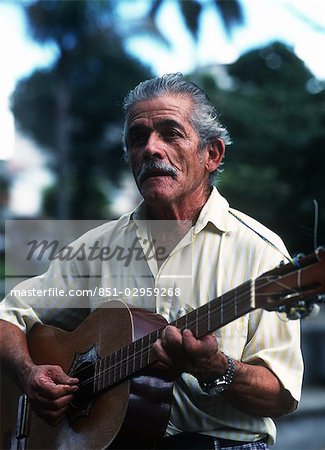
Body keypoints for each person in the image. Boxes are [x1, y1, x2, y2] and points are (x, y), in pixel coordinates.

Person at [0, 73, 303, 450]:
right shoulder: (95, 247)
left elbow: (281, 395)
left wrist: (215, 367)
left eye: (171, 133)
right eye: (137, 138)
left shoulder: (262, 253)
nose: (151, 149)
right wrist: (29, 375)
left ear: (212, 154)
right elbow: (9, 314)